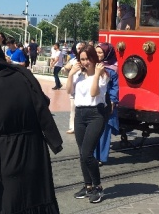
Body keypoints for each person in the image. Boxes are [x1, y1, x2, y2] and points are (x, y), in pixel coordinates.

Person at [0, 38, 63, 214]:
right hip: (35, 146)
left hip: (6, 150)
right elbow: (43, 102)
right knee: (37, 195)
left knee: (9, 198)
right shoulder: (24, 74)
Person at [66, 44, 109, 204]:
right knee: (81, 153)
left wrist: (96, 75)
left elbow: (93, 93)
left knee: (87, 153)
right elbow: (69, 90)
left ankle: (97, 186)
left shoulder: (103, 75)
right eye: (82, 59)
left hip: (95, 115)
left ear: (94, 58)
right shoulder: (78, 75)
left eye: (88, 59)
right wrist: (71, 74)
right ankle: (88, 186)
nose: (85, 62)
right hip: (80, 114)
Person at [94, 42, 120, 166]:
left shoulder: (112, 70)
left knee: (104, 132)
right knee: (93, 130)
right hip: (94, 102)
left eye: (100, 52)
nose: (98, 55)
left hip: (106, 103)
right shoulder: (91, 66)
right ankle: (92, 156)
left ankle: (101, 157)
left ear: (107, 54)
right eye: (96, 52)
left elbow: (115, 87)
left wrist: (113, 102)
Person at [64, 43, 84, 134]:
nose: (80, 49)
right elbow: (64, 69)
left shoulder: (88, 60)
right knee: (73, 108)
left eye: (82, 48)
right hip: (74, 87)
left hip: (84, 88)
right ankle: (72, 127)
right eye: (78, 48)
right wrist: (70, 70)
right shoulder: (74, 60)